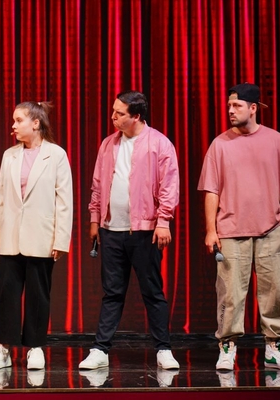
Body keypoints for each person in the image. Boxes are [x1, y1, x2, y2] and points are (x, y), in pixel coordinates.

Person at [198, 83, 280, 371]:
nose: (230, 111)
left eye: (237, 106)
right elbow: (211, 190)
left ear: (253, 108)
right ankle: (227, 347)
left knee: (274, 293)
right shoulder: (220, 144)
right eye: (229, 106)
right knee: (230, 294)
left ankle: (274, 349)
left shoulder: (276, 141)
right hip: (231, 231)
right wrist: (211, 230)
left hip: (272, 230)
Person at [79, 90, 180, 371]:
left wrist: (163, 221)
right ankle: (100, 349)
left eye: (119, 113)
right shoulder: (108, 144)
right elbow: (98, 184)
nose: (113, 116)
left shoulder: (159, 143)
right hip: (111, 230)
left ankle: (163, 349)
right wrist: (95, 219)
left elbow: (169, 186)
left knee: (152, 291)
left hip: (144, 231)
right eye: (113, 110)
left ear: (136, 116)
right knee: (112, 292)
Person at [0, 101, 73, 371]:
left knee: (38, 294)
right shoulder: (10, 155)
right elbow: (0, 196)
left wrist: (61, 240)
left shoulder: (56, 155)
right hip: (10, 236)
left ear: (36, 123)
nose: (13, 126)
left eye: (18, 120)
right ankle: (3, 348)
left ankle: (35, 347)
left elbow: (64, 201)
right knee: (7, 294)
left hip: (41, 236)